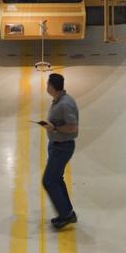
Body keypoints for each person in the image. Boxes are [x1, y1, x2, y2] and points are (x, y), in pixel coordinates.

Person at [40, 71, 79, 229]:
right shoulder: (58, 100)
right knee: (56, 179)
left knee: (48, 180)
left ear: (52, 87)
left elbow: (73, 127)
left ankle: (66, 215)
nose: (46, 86)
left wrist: (54, 128)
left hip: (62, 147)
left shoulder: (65, 103)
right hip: (57, 146)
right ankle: (67, 212)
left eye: (47, 84)